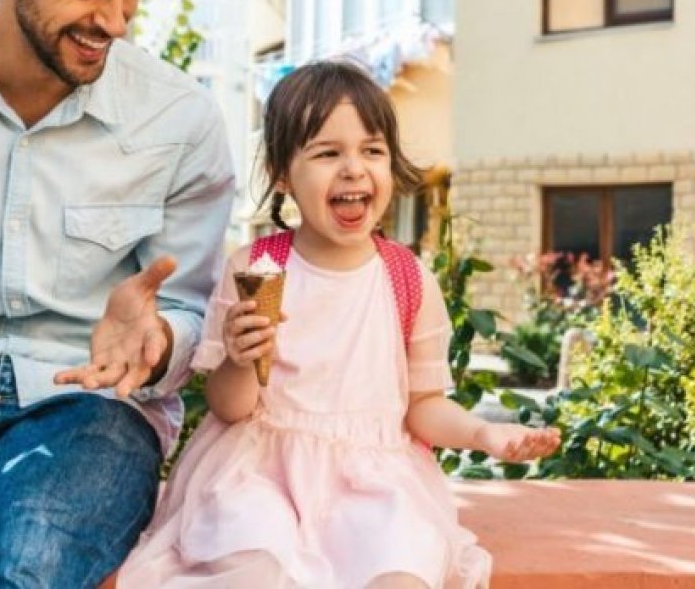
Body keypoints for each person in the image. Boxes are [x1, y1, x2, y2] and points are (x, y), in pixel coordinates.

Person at [117, 61, 561, 588]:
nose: (353, 169)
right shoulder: (257, 268)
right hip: (259, 474)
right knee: (252, 570)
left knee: (400, 573)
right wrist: (239, 360)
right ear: (283, 173)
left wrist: (484, 433)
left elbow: (423, 407)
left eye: (371, 151)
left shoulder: (407, 278)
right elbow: (230, 407)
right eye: (328, 153)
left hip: (371, 483)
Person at [0, 0, 234, 586]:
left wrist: (155, 341)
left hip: (91, 406)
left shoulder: (179, 119)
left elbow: (189, 311)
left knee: (23, 573)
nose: (115, 22)